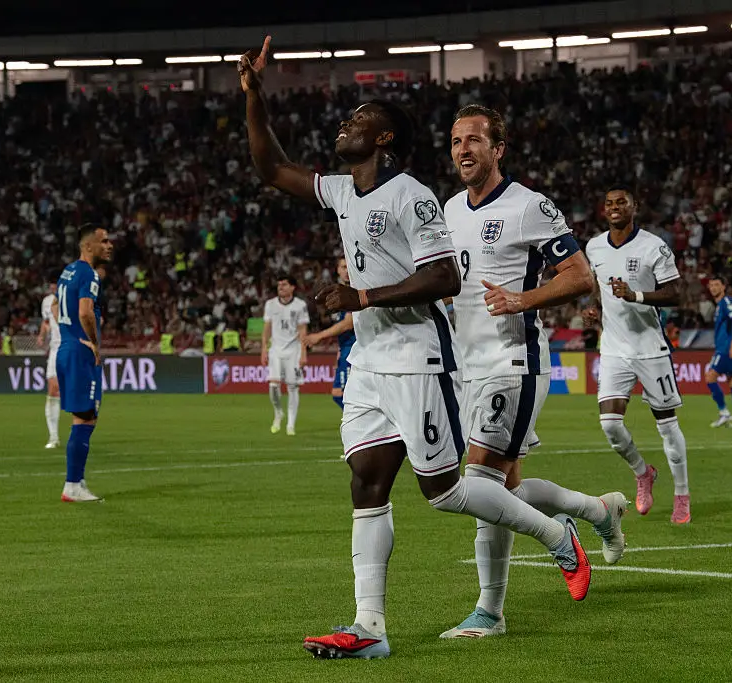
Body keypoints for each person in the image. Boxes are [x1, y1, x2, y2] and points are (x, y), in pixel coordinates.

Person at [239, 36, 589, 661]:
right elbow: (271, 169)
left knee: (445, 491)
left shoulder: (414, 196)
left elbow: (443, 279)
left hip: (419, 355)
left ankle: (557, 533)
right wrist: (254, 96)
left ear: (383, 141)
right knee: (366, 484)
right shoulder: (345, 192)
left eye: (359, 121)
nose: (345, 126)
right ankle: (368, 627)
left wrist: (363, 297)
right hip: (370, 363)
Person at [441, 104, 626, 639]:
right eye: (456, 142)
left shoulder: (530, 207)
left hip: (514, 362)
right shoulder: (450, 210)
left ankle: (491, 610)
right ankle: (597, 510)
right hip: (468, 366)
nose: (463, 150)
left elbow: (580, 276)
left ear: (498, 149)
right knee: (507, 491)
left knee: (479, 483)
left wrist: (523, 298)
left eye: (474, 140)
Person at [583, 186, 691, 524]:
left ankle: (682, 495)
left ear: (635, 207)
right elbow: (596, 287)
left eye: (621, 202)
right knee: (610, 424)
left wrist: (637, 296)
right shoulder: (594, 246)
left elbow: (675, 293)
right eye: (609, 203)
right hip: (614, 349)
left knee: (668, 428)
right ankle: (643, 473)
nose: (614, 207)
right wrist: (593, 307)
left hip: (650, 350)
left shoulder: (653, 246)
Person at [55, 224, 113, 503]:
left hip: (66, 349)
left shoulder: (67, 272)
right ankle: (73, 485)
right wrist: (93, 342)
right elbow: (85, 312)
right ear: (88, 246)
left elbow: (59, 309)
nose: (109, 245)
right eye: (104, 241)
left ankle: (76, 480)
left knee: (84, 416)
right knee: (86, 417)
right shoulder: (89, 273)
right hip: (80, 352)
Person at [305, 258, 356, 410]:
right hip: (346, 349)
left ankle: (359, 428)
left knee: (343, 394)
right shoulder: (339, 292)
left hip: (355, 349)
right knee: (340, 394)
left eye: (349, 267)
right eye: (343, 267)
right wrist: (339, 353)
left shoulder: (354, 289)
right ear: (337, 270)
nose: (346, 271)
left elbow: (348, 323)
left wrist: (319, 336)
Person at [261, 275, 309, 435]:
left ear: (292, 287)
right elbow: (267, 328)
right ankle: (278, 412)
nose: (280, 287)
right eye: (279, 284)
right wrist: (263, 349)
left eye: (284, 284)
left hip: (293, 350)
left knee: (292, 387)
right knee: (273, 386)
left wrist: (303, 353)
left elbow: (303, 330)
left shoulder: (300, 305)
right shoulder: (270, 304)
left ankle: (290, 425)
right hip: (275, 349)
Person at [707, 276, 732, 429]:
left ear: (723, 286)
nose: (713, 288)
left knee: (710, 377)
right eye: (711, 285)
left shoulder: (726, 302)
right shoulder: (719, 306)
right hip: (727, 346)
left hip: (725, 347)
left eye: (716, 285)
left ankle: (724, 413)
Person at [36, 275, 62, 449]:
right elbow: (46, 322)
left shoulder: (73, 299)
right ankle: (53, 436)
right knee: (53, 388)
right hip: (55, 348)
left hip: (73, 347)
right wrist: (42, 334)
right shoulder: (46, 302)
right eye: (51, 285)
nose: (53, 289)